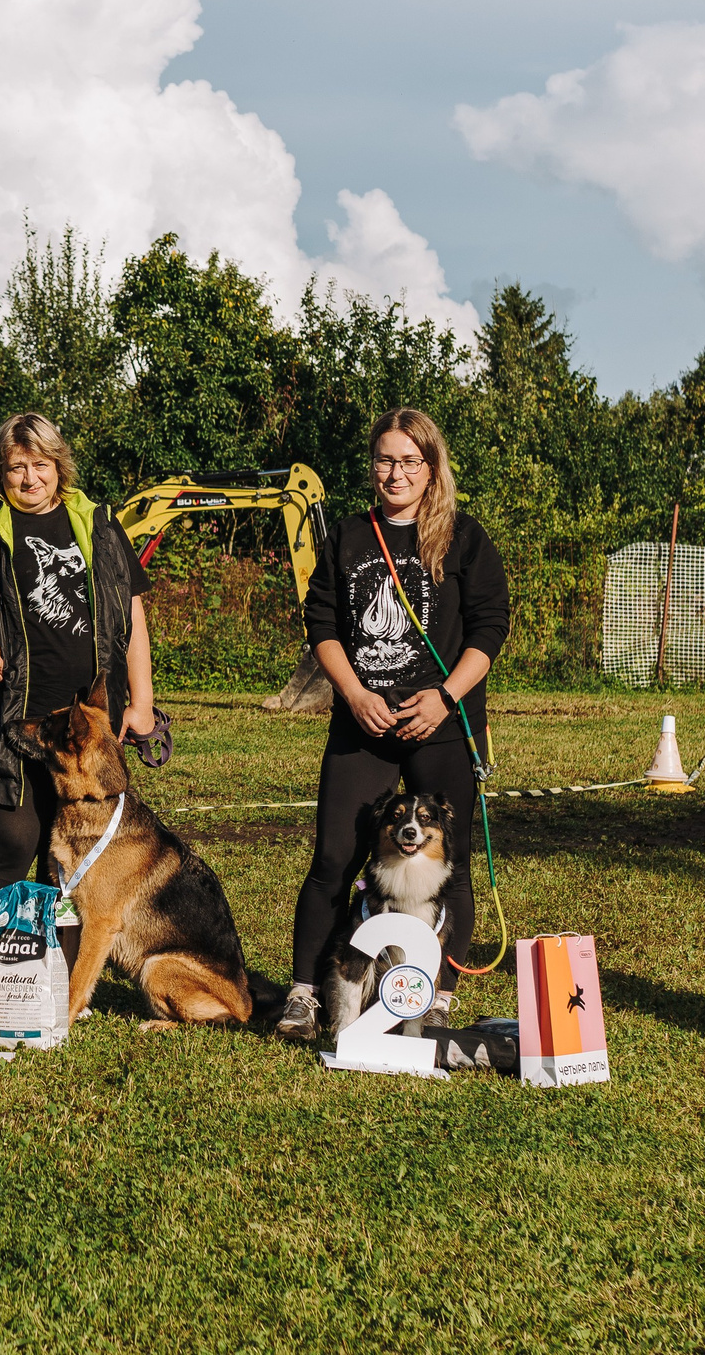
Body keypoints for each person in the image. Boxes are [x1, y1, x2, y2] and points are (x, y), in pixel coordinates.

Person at [275, 408, 510, 1044]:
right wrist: (351, 694)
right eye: (385, 459)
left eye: (409, 460)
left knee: (450, 869)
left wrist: (445, 697)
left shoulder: (464, 538)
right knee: (333, 861)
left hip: (442, 723)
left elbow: (490, 629)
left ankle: (438, 998)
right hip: (364, 724)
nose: (395, 472)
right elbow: (320, 625)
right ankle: (305, 994)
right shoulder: (349, 536)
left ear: (431, 468)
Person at [0, 412, 155, 903]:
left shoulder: (100, 524)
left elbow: (134, 614)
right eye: (16, 467)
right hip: (10, 722)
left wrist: (140, 702)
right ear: (0, 473)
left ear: (59, 465)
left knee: (79, 852)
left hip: (88, 725)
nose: (30, 478)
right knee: (12, 841)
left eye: (40, 464)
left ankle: (49, 974)